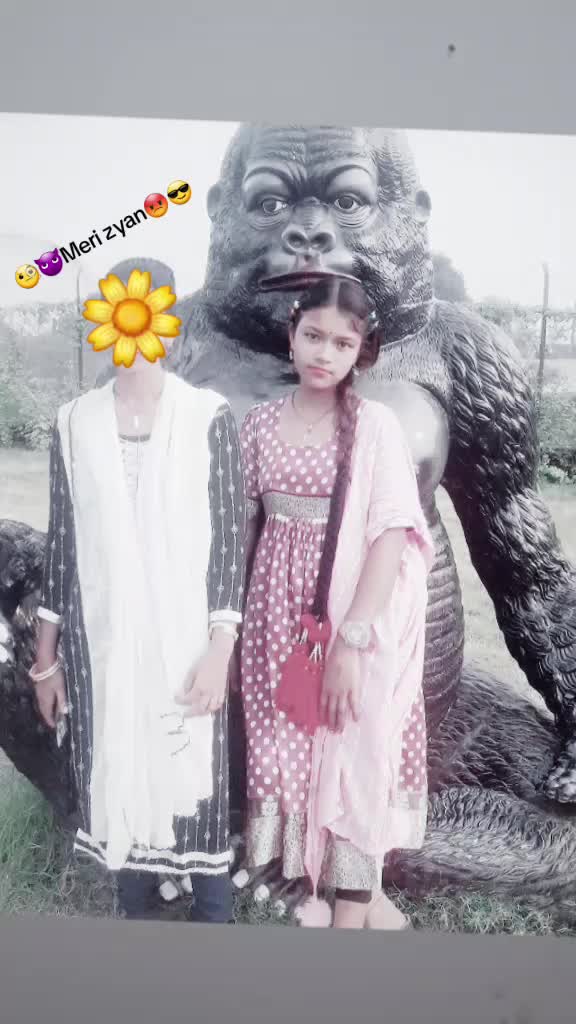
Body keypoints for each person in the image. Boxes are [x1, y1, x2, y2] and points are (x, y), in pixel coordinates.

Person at [31, 258, 246, 922]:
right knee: (117, 766)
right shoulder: (74, 423)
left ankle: (211, 919)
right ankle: (138, 916)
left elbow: (228, 543)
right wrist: (46, 662)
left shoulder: (208, 417)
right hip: (102, 644)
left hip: (188, 645)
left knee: (193, 781)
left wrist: (219, 651)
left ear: (169, 323)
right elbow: (63, 545)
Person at [238, 276, 434, 930]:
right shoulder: (258, 424)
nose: (325, 353)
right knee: (285, 754)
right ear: (291, 335)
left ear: (360, 351)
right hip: (275, 621)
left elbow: (391, 534)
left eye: (343, 343)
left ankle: (353, 906)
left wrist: (352, 640)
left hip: (351, 620)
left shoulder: (374, 426)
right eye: (314, 336)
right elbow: (244, 529)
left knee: (352, 754)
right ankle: (324, 891)